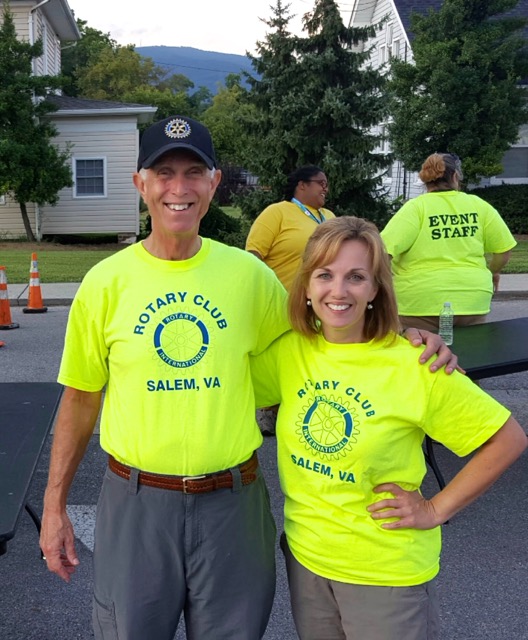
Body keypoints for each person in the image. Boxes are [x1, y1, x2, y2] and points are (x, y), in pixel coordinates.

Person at [39, 116, 455, 640]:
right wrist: (54, 505)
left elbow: (325, 332)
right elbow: (80, 398)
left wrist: (400, 336)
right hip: (136, 501)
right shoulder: (105, 283)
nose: (179, 188)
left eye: (194, 172)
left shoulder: (248, 276)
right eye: (163, 172)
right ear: (140, 183)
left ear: (214, 183)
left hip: (232, 503)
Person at [250, 216, 527, 640]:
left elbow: (506, 439)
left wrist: (435, 509)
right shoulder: (290, 352)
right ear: (305, 286)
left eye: (356, 277)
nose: (338, 290)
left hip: (384, 573)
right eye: (325, 275)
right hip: (306, 561)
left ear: (376, 288)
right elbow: (222, 386)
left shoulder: (416, 364)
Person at [381, 153, 516, 331]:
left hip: (419, 301)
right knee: (472, 347)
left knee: (419, 347)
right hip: (472, 298)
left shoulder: (415, 208)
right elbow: (503, 251)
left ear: (425, 178)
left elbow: (382, 252)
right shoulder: (479, 205)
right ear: (455, 176)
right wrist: (493, 272)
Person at [246, 164, 335, 291]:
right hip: (280, 297)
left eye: (326, 185)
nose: (326, 189)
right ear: (302, 185)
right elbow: (253, 256)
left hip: (320, 299)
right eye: (321, 183)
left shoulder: (330, 217)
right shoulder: (277, 212)